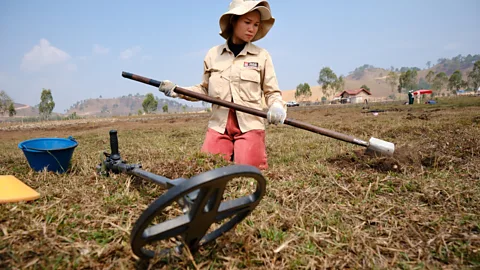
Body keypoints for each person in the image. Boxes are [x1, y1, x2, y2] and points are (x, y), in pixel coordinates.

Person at [158, 0, 286, 170]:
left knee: (249, 172)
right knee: (207, 169)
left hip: (250, 124)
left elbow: (271, 92)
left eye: (256, 24)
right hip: (219, 126)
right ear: (233, 21)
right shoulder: (213, 54)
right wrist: (177, 90)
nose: (252, 29)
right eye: (247, 22)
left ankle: (242, 151)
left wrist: (277, 106)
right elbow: (204, 89)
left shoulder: (262, 56)